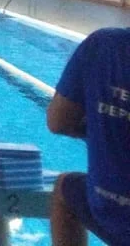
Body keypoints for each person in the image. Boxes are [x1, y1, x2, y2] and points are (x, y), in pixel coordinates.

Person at [47, 28, 130, 246]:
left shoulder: (102, 45)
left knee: (64, 190)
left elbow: (58, 122)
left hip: (114, 211)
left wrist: (103, 128)